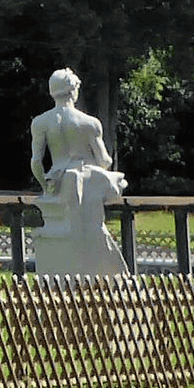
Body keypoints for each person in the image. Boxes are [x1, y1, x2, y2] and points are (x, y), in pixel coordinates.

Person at [29, 67, 128, 275]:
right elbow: (104, 161)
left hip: (57, 184)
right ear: (74, 91)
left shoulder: (41, 122)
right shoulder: (89, 123)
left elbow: (36, 161)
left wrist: (45, 187)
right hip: (85, 182)